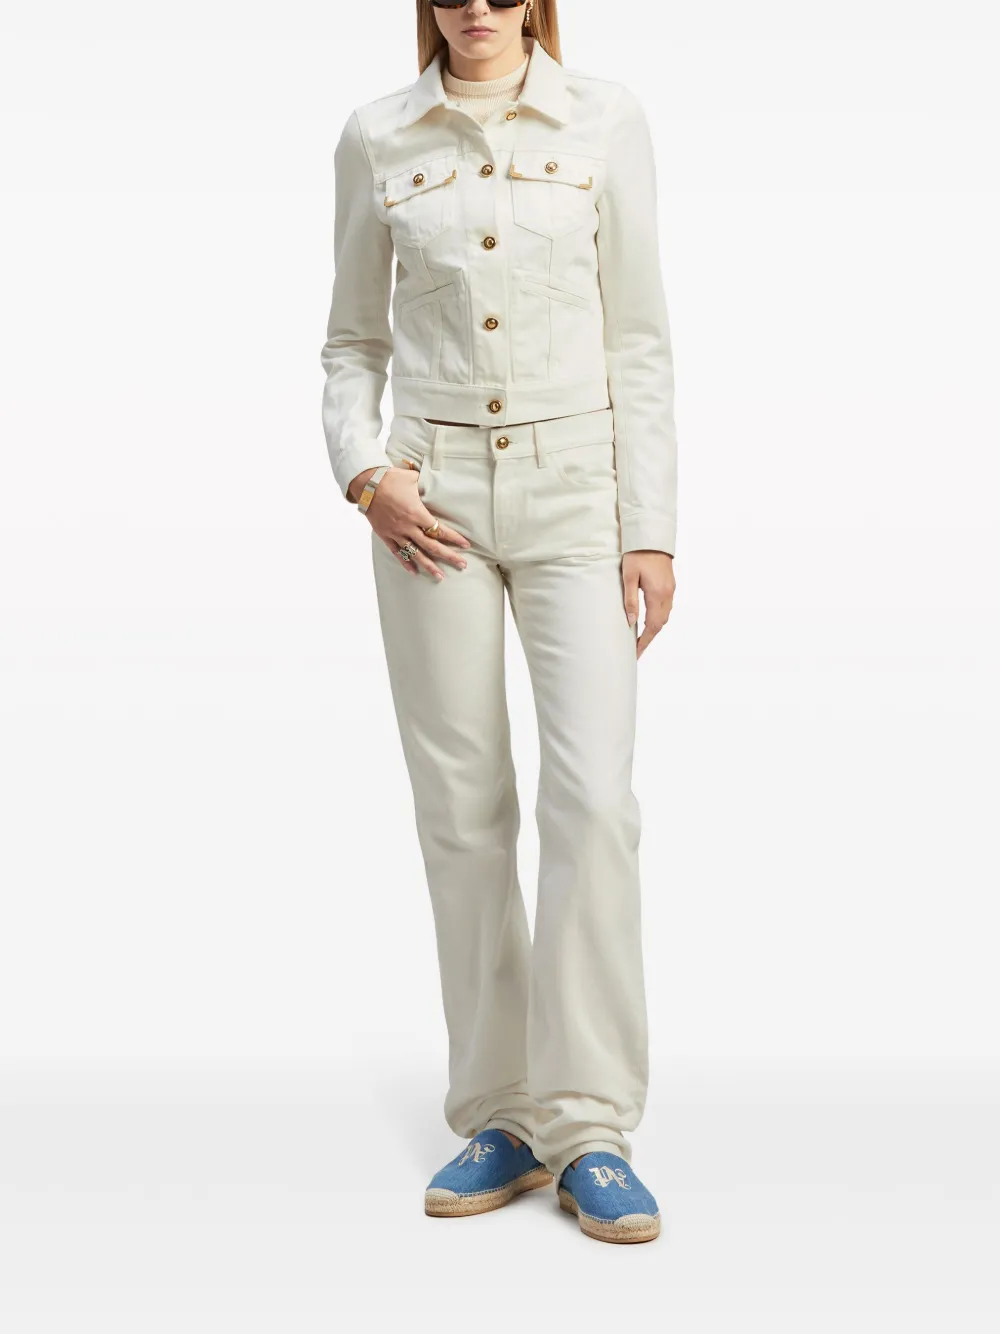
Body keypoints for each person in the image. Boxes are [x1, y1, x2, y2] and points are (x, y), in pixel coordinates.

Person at [320, 0, 678, 1245]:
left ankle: (592, 1125)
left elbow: (640, 338)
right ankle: (503, 1115)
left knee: (593, 802)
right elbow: (350, 344)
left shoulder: (605, 120)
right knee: (464, 807)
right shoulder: (377, 134)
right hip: (430, 506)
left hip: (580, 497)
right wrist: (364, 473)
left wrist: (652, 525)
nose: (473, 2)